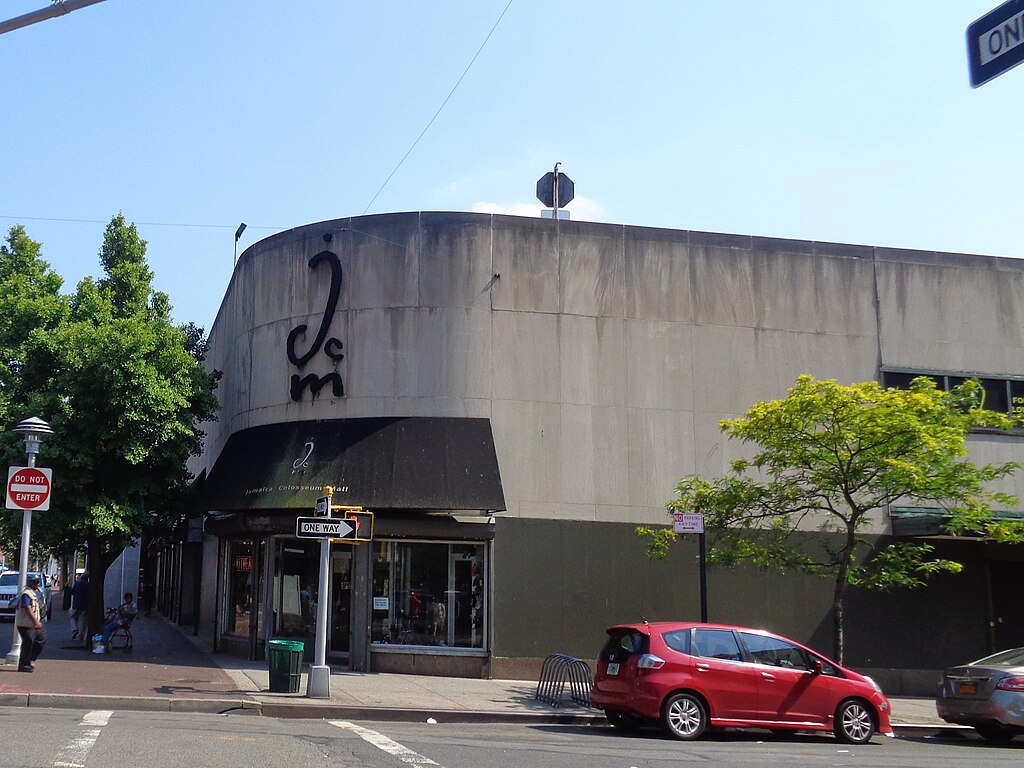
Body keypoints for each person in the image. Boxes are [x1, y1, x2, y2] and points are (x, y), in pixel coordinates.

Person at [15, 575, 46, 672]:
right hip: (26, 623)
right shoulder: (26, 594)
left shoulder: (39, 592)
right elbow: (27, 608)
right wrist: (36, 622)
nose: (36, 583)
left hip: (37, 622)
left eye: (37, 581)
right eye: (34, 582)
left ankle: (31, 659)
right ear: (29, 582)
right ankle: (23, 665)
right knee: (27, 643)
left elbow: (41, 605)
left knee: (41, 639)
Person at [70, 572, 89, 640]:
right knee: (84, 622)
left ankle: (74, 629)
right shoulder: (89, 585)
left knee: (73, 618)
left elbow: (72, 592)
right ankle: (81, 636)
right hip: (85, 605)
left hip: (76, 604)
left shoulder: (77, 583)